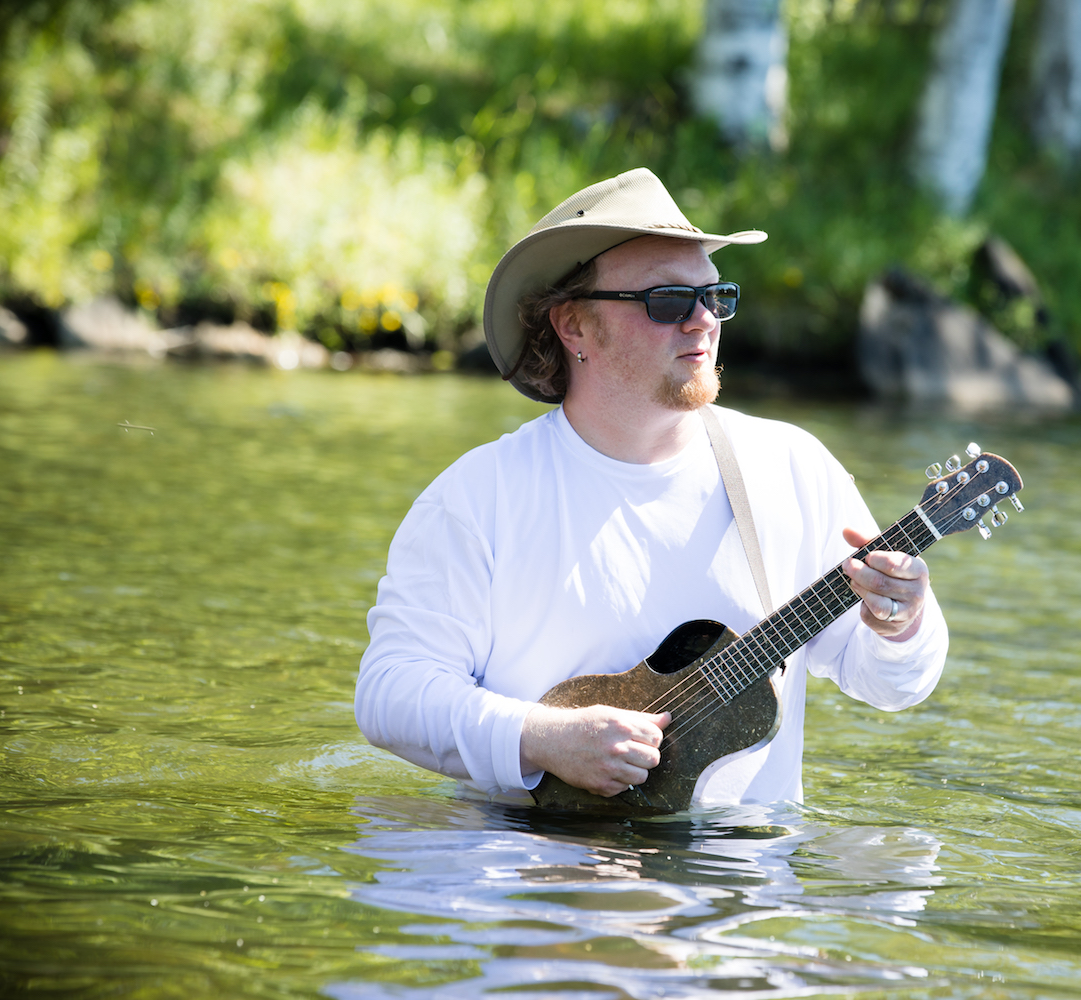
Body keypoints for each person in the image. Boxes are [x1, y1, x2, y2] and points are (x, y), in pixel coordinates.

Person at [355, 167, 948, 807]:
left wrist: (900, 626)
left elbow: (894, 686)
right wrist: (540, 737)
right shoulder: (479, 496)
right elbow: (390, 690)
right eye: (666, 301)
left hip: (735, 887)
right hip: (526, 879)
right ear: (574, 326)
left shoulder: (791, 468)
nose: (701, 321)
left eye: (715, 296)